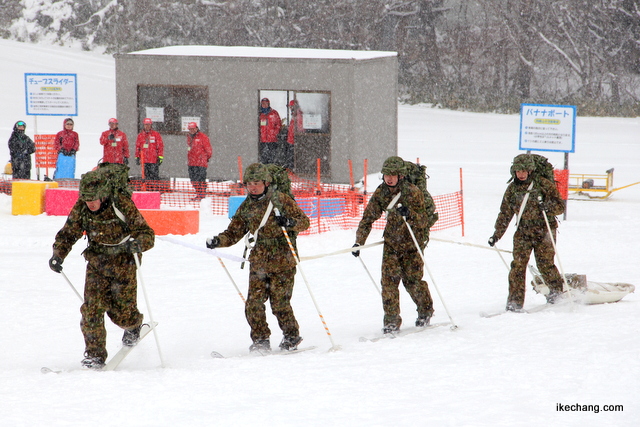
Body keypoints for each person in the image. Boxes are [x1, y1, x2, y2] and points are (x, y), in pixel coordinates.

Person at [49, 165, 155, 369]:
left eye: (93, 200)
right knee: (91, 310)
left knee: (120, 313)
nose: (90, 204)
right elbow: (69, 232)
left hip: (123, 262)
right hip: (97, 262)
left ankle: (133, 326)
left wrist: (138, 243)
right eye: (86, 200)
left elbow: (147, 233)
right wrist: (58, 254)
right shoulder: (82, 206)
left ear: (103, 195)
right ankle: (94, 355)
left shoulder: (120, 203)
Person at [206, 163, 310, 353]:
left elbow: (304, 222)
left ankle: (291, 336)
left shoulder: (280, 200)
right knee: (253, 305)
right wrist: (217, 241)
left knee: (279, 304)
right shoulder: (247, 206)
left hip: (283, 261)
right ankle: (261, 340)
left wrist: (288, 222)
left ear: (266, 182)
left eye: (257, 183)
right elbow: (233, 232)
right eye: (249, 183)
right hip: (259, 262)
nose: (253, 187)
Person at [352, 156, 438, 334]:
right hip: (392, 243)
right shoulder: (381, 192)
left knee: (412, 281)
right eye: (386, 174)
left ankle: (425, 310)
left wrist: (410, 214)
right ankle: (391, 321)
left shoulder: (412, 192)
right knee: (389, 283)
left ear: (401, 175)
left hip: (413, 243)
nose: (389, 178)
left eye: (393, 174)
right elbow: (368, 218)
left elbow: (424, 220)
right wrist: (359, 242)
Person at [488, 153, 566, 311]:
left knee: (545, 265)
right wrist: (497, 234)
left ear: (530, 171)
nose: (521, 174)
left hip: (544, 230)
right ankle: (514, 302)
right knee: (517, 266)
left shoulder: (543, 184)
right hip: (523, 232)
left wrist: (548, 207)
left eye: (524, 170)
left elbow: (560, 206)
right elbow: (505, 213)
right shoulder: (512, 189)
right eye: (518, 171)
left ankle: (557, 294)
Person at [186, 122, 212, 201]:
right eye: (190, 129)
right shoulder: (189, 137)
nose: (192, 130)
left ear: (197, 128)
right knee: (193, 179)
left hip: (201, 163)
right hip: (191, 162)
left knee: (200, 179)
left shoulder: (203, 137)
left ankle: (201, 195)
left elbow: (208, 150)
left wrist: (204, 159)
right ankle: (198, 194)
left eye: (193, 129)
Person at [258, 97, 282, 165]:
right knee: (263, 158)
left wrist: (274, 133)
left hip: (272, 140)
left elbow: (279, 124)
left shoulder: (274, 113)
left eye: (266, 103)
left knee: (272, 158)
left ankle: (271, 171)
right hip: (262, 140)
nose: (264, 105)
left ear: (269, 104)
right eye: (263, 104)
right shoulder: (260, 114)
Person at [285, 99, 304, 170]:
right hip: (291, 139)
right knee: (290, 156)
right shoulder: (295, 115)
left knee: (292, 157)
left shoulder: (298, 115)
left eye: (291, 107)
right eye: (290, 107)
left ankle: (292, 170)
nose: (290, 109)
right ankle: (291, 170)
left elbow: (300, 128)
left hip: (294, 140)